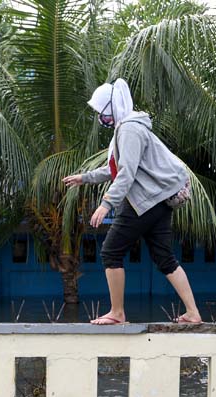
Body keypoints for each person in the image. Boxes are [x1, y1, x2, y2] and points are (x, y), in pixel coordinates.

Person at [63, 79, 201, 325]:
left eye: (102, 111)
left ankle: (117, 313)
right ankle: (193, 313)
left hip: (145, 201)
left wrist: (106, 204)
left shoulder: (129, 129)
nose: (101, 117)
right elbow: (114, 168)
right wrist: (85, 178)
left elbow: (126, 173)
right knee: (165, 258)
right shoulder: (129, 127)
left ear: (112, 106)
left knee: (111, 251)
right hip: (158, 201)